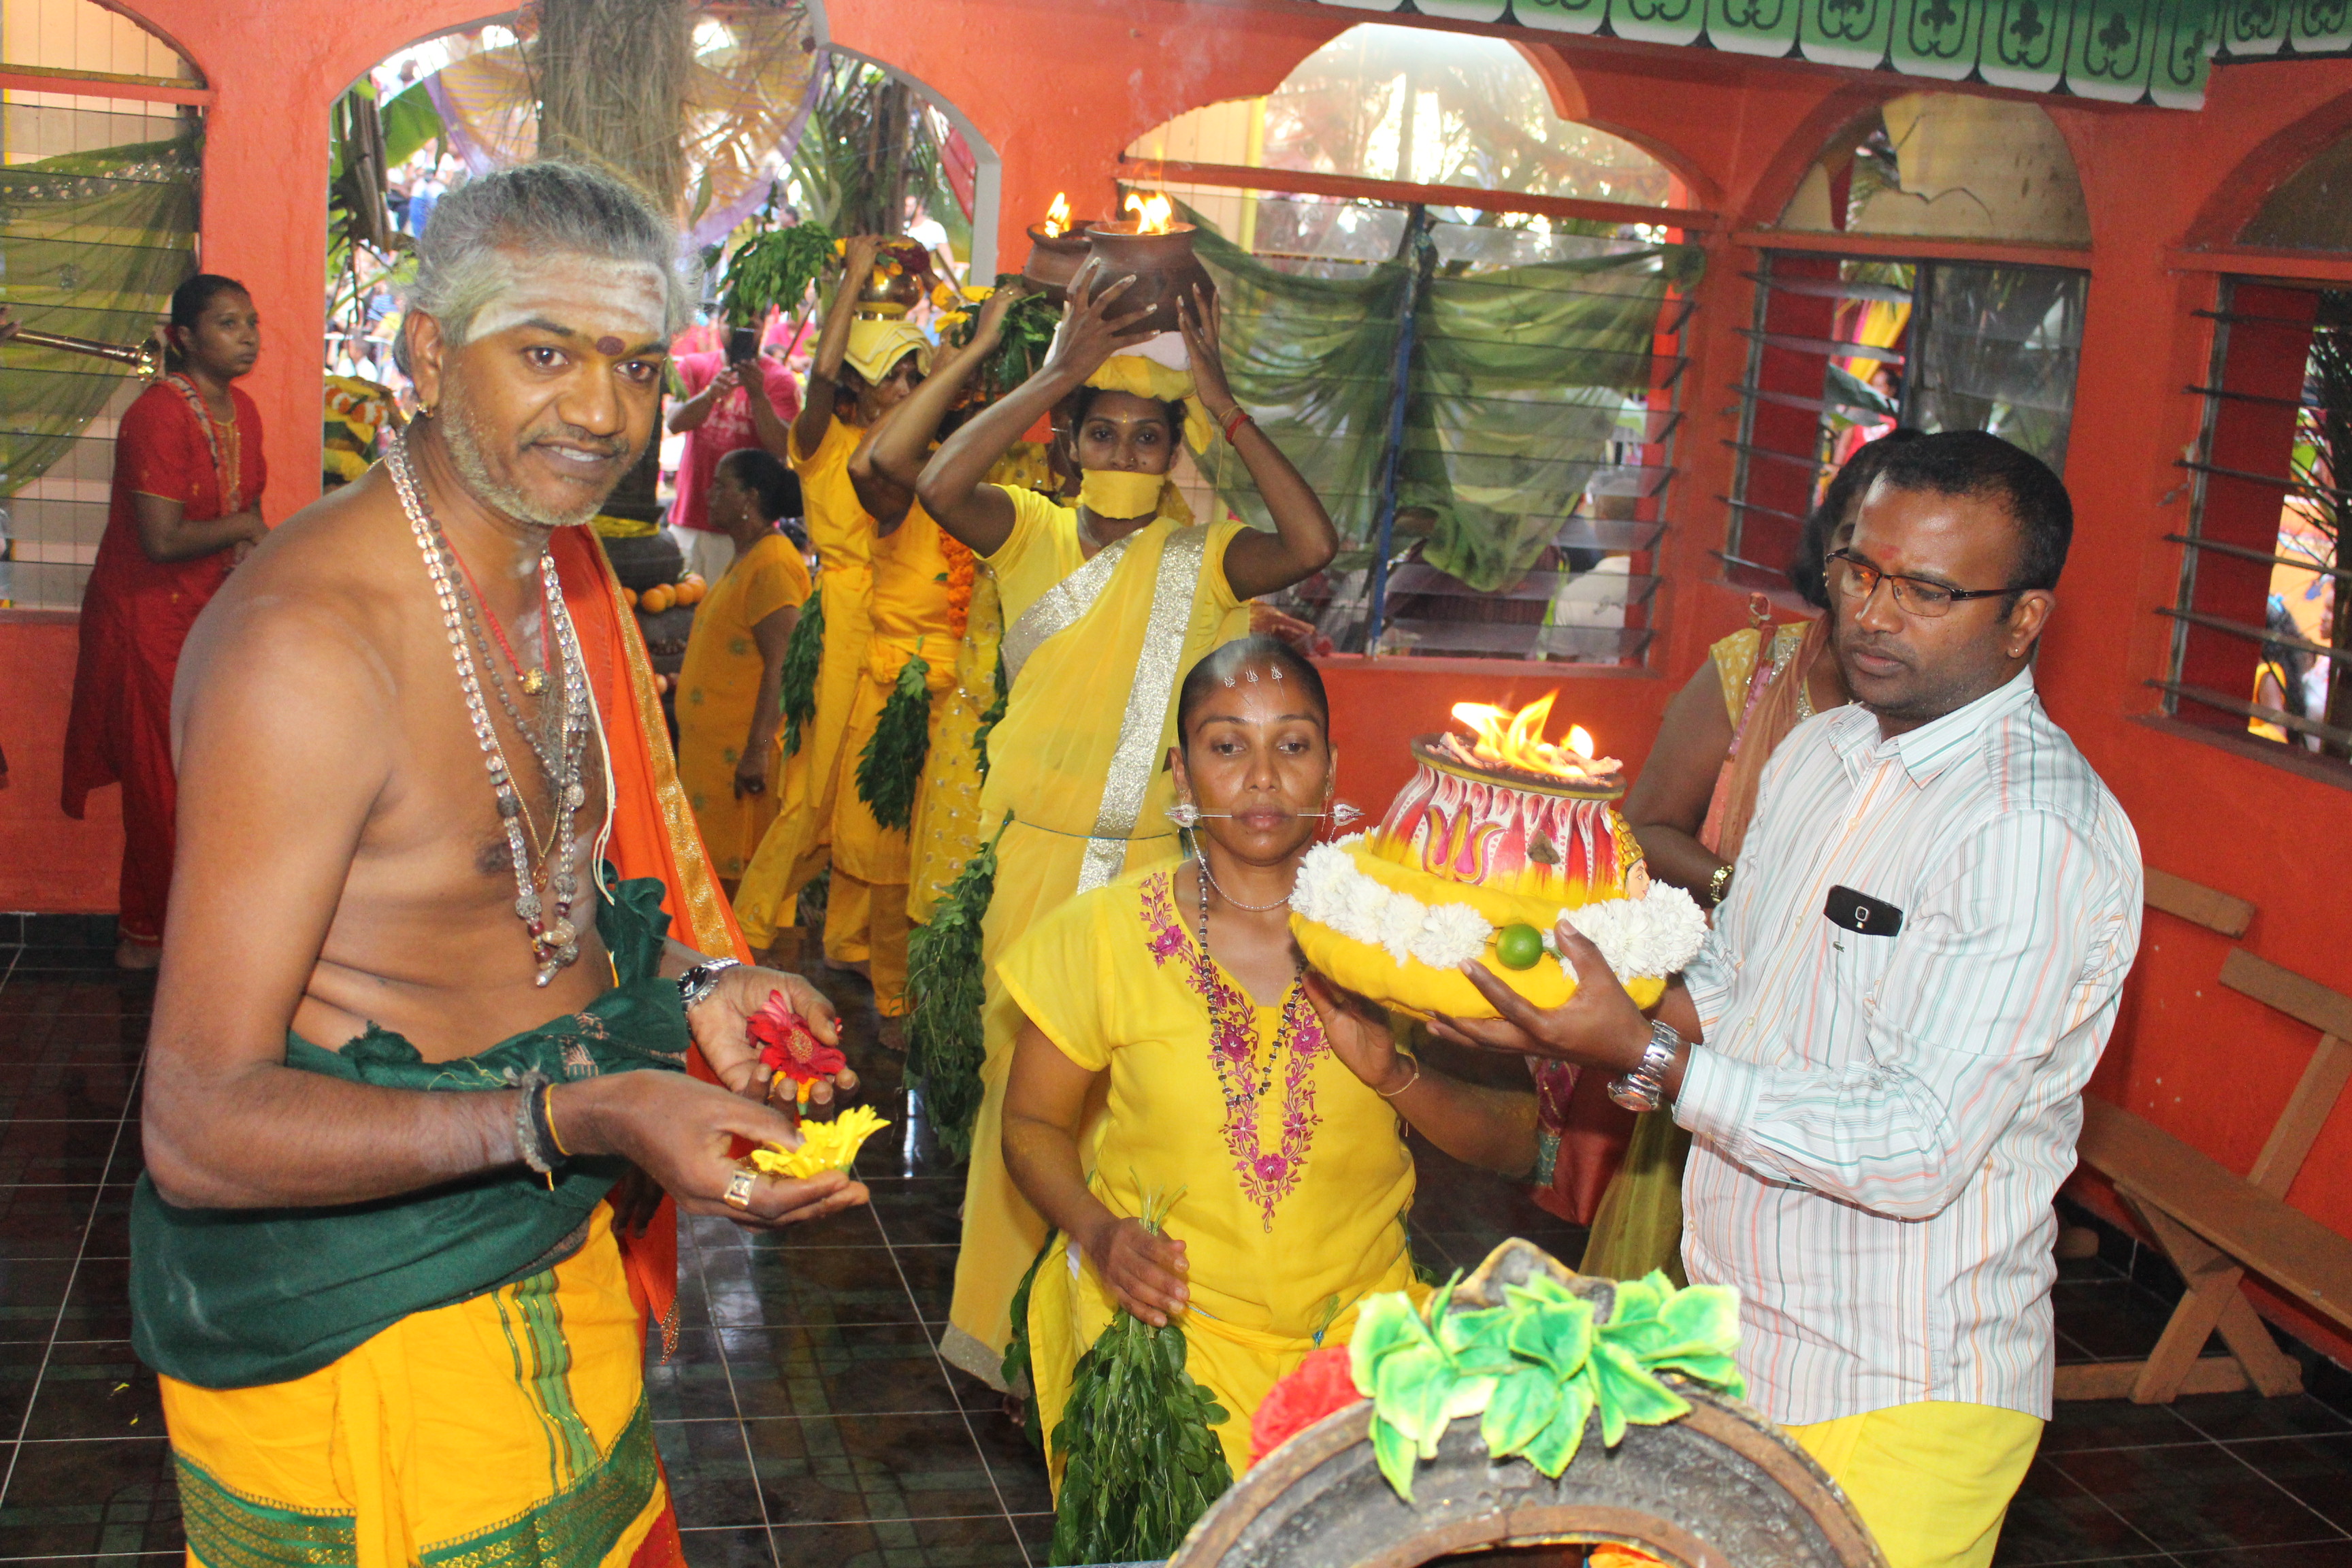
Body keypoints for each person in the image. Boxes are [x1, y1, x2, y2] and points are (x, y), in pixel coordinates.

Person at [137, 161, 868, 1568]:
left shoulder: (550, 574)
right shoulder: (309, 647)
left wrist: (697, 981)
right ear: (425, 354)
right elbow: (198, 1125)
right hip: (367, 1323)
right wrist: (576, 1119)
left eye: (637, 366)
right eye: (546, 353)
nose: (601, 412)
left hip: (534, 1258)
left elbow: (528, 879)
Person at [1428, 431, 2142, 1568]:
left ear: (2022, 619)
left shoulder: (2027, 831)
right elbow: (1733, 989)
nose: (1873, 610)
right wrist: (1564, 1007)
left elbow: (1916, 1148)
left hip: (1896, 1389)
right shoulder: (1822, 757)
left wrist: (1653, 1060)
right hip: (1732, 1338)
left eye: (1927, 590)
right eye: (1858, 568)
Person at [910, 267, 1340, 1387]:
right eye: (1100, 432)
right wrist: (1051, 371)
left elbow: (1312, 539)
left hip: (1159, 878)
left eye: (1148, 438)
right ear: (1067, 448)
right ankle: (1013, 1344)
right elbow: (934, 480)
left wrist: (1225, 398)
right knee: (1031, 1115)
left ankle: (1114, 1341)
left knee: (1135, 1118)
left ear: (1172, 455)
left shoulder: (1203, 558)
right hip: (1040, 873)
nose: (1123, 454)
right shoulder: (1032, 535)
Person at [1008, 637, 1539, 1494]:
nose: (1262, 778)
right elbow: (1032, 1123)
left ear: (1328, 770)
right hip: (1169, 1354)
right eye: (1228, 747)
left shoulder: (1406, 937)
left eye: (1291, 746)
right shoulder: (1101, 935)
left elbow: (1517, 1143)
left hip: (1360, 1362)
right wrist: (1098, 1234)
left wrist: (1394, 1075)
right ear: (1183, 775)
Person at [1586, 431, 1914, 1282]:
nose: (1875, 596)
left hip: (1871, 1057)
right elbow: (1647, 828)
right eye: (1859, 558)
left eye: (1912, 576)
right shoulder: (1757, 671)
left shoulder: (1945, 730)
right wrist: (1755, 888)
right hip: (1729, 1012)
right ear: (1829, 551)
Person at [730, 235, 931, 978]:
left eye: (917, 372)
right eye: (897, 375)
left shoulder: (917, 449)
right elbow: (815, 382)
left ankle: (851, 943)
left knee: (874, 785)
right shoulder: (825, 438)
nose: (909, 385)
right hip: (843, 615)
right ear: (862, 386)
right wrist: (851, 282)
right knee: (816, 786)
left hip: (900, 626)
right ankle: (750, 924)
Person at [62, 274, 267, 969]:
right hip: (143, 621)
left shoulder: (245, 410)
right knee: (161, 788)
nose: (248, 337)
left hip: (206, 620)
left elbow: (245, 528)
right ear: (184, 338)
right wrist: (243, 526)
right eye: (229, 324)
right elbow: (161, 540)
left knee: (198, 781)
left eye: (252, 323)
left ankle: (144, 939)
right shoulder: (156, 414)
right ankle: (174, 946)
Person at [675, 446, 811, 889]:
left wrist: (757, 750)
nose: (710, 493)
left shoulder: (773, 565)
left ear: (749, 497)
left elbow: (783, 662)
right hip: (712, 754)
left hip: (739, 760)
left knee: (734, 889)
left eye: (721, 485)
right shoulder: (748, 556)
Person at [663, 330, 801, 583]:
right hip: (688, 518)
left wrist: (758, 395)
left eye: (753, 320)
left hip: (746, 529)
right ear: (720, 323)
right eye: (734, 321)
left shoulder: (780, 380)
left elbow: (783, 448)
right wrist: (709, 396)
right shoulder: (696, 365)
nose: (744, 329)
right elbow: (674, 422)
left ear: (765, 324)